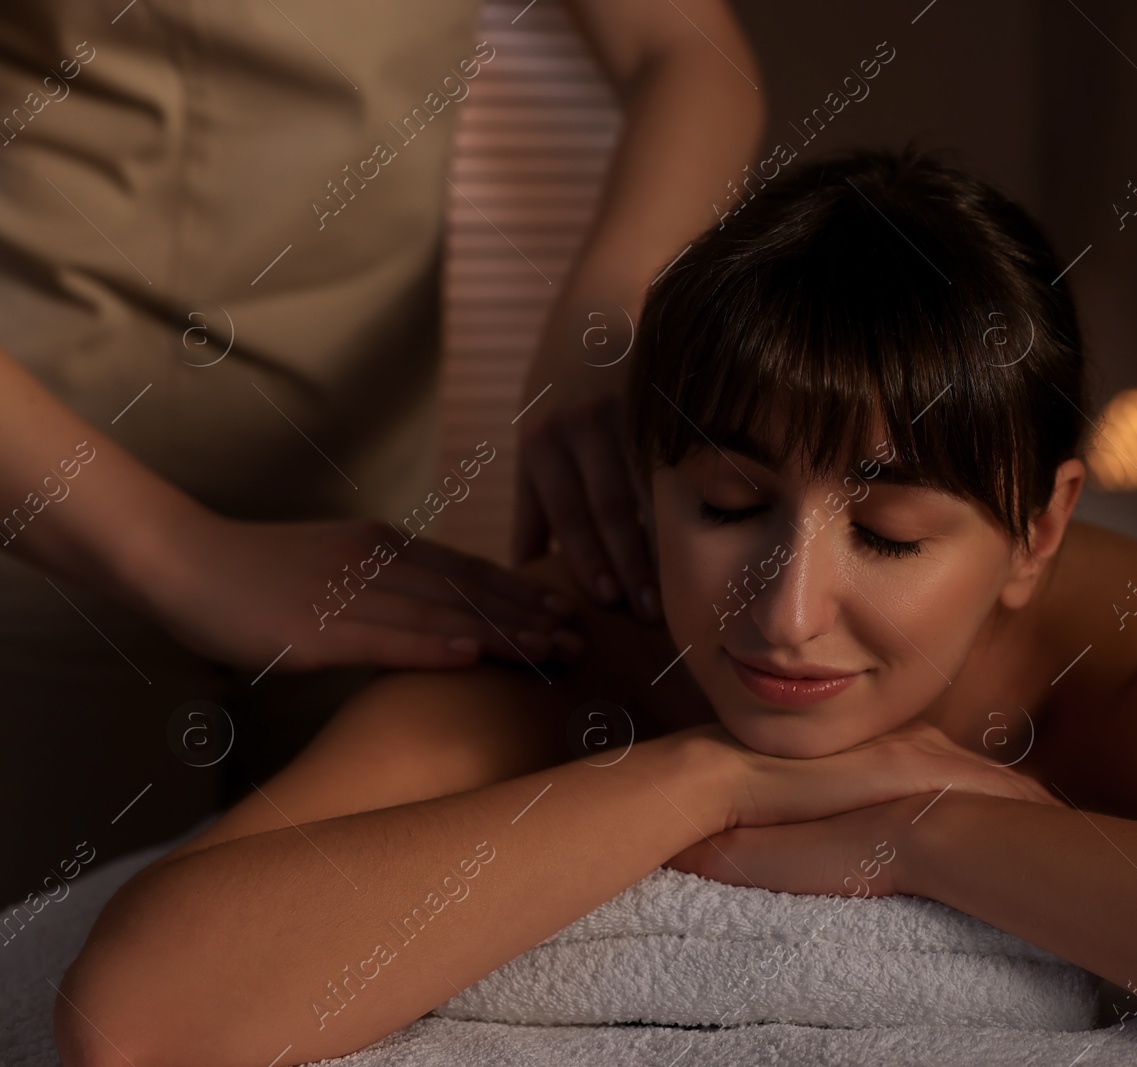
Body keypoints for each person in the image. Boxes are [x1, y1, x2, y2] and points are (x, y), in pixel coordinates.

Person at [56, 149, 1137, 1067]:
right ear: (647, 482)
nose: (785, 612)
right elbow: (138, 1016)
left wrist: (924, 829)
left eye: (892, 531)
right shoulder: (578, 630)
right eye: (725, 507)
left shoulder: (1132, 655)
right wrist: (707, 773)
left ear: (1036, 528)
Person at [0, 0, 763, 888]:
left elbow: (685, 48)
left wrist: (611, 310)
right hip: (46, 498)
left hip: (364, 513)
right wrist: (179, 553)